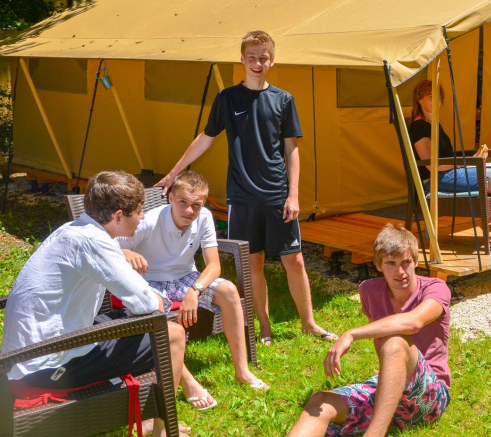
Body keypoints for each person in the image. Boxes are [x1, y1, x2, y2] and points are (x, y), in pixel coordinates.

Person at [156, 30, 335, 347]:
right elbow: (206, 138)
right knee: (252, 263)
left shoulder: (283, 100)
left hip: (277, 195)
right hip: (241, 197)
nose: (257, 63)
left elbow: (292, 149)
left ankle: (309, 323)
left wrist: (293, 195)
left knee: (294, 260)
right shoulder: (228, 99)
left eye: (263, 58)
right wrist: (173, 172)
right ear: (242, 59)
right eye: (251, 57)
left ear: (272, 60)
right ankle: (264, 328)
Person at [1, 171, 189, 437]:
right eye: (139, 211)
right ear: (118, 216)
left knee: (131, 319)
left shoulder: (72, 231)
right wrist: (156, 299)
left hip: (28, 356)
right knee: (173, 335)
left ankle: (163, 407)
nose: (143, 217)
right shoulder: (94, 242)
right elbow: (150, 305)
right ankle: (162, 428)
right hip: (44, 367)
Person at [119, 170, 269, 402]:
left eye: (196, 205)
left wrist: (195, 290)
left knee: (228, 290)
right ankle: (187, 381)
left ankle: (242, 371)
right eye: (183, 202)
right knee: (153, 305)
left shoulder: (205, 217)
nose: (190, 211)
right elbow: (111, 246)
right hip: (151, 279)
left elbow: (214, 266)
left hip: (186, 277)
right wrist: (127, 252)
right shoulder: (149, 221)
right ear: (170, 198)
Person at [287, 224, 451, 436]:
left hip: (430, 396)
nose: (400, 272)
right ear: (378, 265)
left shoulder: (436, 287)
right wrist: (390, 372)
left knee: (395, 342)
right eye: (391, 263)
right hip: (387, 390)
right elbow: (379, 341)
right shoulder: (369, 290)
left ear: (416, 261)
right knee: (321, 401)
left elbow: (413, 323)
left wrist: (351, 333)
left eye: (406, 262)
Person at [407, 79, 491, 253]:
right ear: (419, 99)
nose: (436, 99)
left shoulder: (434, 125)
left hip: (450, 173)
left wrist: (472, 158)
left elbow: (447, 158)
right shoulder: (418, 127)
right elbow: (431, 164)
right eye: (431, 96)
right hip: (436, 180)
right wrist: (466, 162)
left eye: (439, 96)